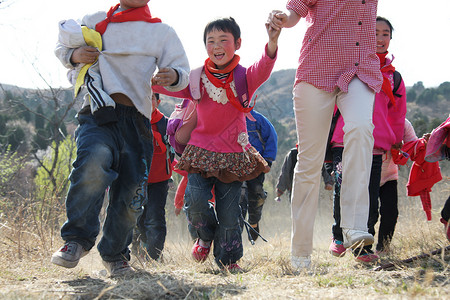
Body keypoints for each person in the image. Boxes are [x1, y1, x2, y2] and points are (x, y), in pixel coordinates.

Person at [51, 0, 190, 277]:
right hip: (97, 112)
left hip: (138, 121)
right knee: (92, 161)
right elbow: (62, 48)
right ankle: (76, 239)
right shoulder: (95, 20)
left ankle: (115, 254)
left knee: (132, 193)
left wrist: (172, 75)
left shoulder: (161, 32)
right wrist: (76, 54)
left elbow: (182, 73)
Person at [153, 17, 280, 271]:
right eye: (211, 41)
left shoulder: (244, 77)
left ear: (237, 44)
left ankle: (229, 260)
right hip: (200, 153)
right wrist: (155, 79)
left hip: (233, 155)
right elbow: (174, 88)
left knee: (230, 213)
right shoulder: (197, 77)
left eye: (223, 40)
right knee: (196, 200)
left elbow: (264, 68)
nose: (217, 46)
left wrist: (272, 42)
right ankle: (204, 235)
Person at [268, 1, 383, 270]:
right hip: (317, 69)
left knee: (360, 128)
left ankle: (354, 227)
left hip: (359, 69)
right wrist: (283, 18)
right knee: (309, 161)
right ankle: (300, 253)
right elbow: (295, 13)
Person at [328, 16, 407, 263]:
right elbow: (330, 105)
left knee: (370, 196)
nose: (380, 38)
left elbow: (397, 115)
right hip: (345, 140)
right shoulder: (350, 68)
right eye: (374, 33)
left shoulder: (394, 78)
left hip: (376, 146)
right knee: (344, 189)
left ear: (390, 39)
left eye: (385, 34)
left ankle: (363, 247)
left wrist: (393, 143)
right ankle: (339, 236)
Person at [135, 93, 174, 261]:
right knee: (136, 218)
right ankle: (136, 254)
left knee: (155, 218)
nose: (147, 100)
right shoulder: (133, 120)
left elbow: (173, 150)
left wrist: (170, 175)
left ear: (158, 102)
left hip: (159, 180)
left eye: (151, 97)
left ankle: (155, 256)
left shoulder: (165, 124)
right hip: (136, 179)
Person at [240, 110, 277, 242]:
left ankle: (254, 222)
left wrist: (268, 160)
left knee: (256, 194)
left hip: (256, 165)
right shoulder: (228, 117)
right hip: (235, 164)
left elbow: (271, 137)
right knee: (240, 196)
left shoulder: (258, 119)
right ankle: (236, 233)